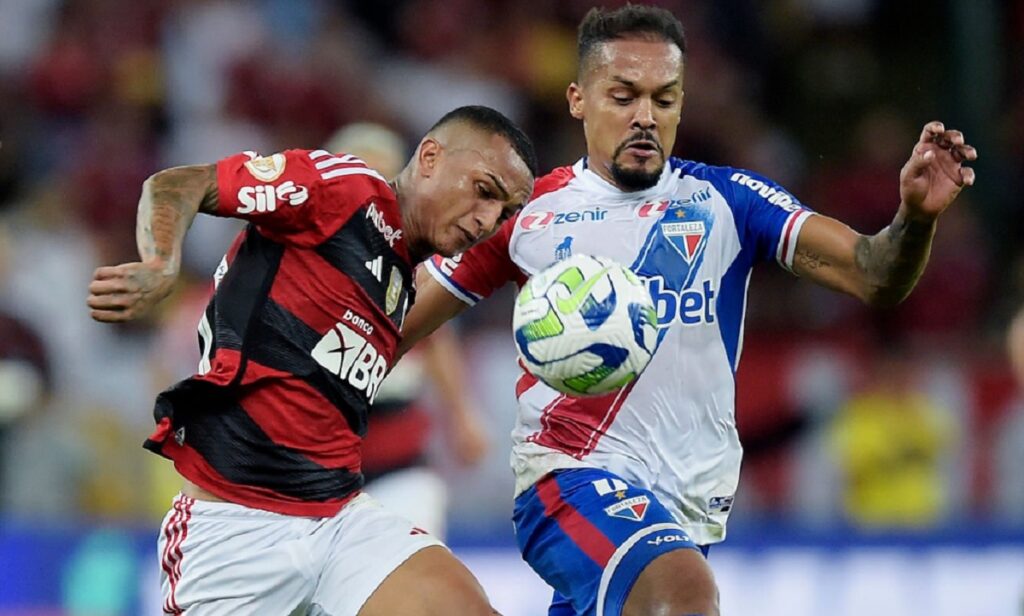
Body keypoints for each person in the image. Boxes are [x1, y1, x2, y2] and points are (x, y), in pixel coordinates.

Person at [398, 6, 977, 616]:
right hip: (567, 480)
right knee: (685, 595)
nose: (645, 116)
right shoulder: (526, 213)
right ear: (578, 99)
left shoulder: (730, 200)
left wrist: (914, 218)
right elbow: (397, 324)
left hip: (683, 505)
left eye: (664, 99)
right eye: (622, 96)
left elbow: (870, 273)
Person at [86, 105, 536, 616]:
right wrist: (162, 263)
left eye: (503, 212)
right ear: (430, 157)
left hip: (340, 517)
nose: (486, 220)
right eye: (483, 190)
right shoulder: (345, 190)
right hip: (236, 528)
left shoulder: (402, 275)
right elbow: (177, 184)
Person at [325, 122, 490, 537]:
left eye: (383, 179)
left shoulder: (411, 263)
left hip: (401, 463)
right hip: (315, 473)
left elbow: (436, 341)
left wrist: (462, 416)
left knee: (409, 578)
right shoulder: (302, 259)